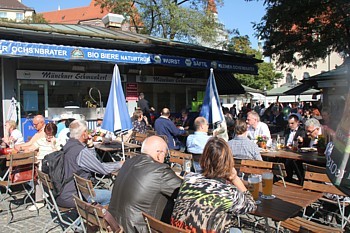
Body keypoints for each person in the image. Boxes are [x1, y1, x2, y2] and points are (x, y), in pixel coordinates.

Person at [171, 137, 257, 232]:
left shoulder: (189, 179)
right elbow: (251, 206)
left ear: (203, 158)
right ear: (228, 161)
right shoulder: (228, 192)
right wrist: (235, 179)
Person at [108, 136, 182, 232]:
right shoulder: (160, 171)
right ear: (159, 154)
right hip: (138, 229)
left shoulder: (127, 163)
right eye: (166, 154)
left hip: (115, 225)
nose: (165, 158)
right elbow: (184, 191)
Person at [56, 120, 123, 208]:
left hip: (63, 191)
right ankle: (92, 219)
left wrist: (90, 146)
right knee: (111, 196)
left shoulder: (68, 145)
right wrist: (120, 164)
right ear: (84, 134)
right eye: (87, 131)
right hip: (75, 195)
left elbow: (91, 162)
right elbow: (103, 169)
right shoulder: (80, 152)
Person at [26, 122, 60, 211]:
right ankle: (39, 201)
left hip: (54, 166)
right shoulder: (41, 141)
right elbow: (30, 148)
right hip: (41, 165)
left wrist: (53, 145)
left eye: (51, 135)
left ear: (54, 134)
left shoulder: (58, 142)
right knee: (39, 173)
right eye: (47, 135)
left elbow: (59, 155)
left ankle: (46, 198)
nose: (48, 137)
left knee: (41, 173)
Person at [283, 114, 307, 183]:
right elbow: (284, 140)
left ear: (298, 122)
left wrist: (300, 141)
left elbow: (302, 143)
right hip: (286, 151)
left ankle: (294, 179)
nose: (290, 125)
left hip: (296, 153)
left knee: (290, 161)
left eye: (292, 123)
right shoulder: (287, 131)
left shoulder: (301, 131)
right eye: (289, 123)